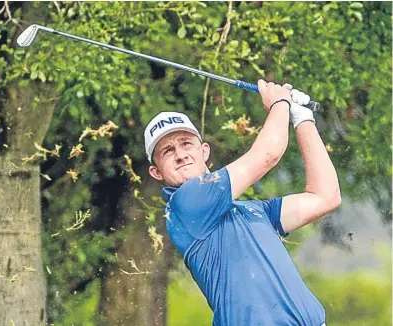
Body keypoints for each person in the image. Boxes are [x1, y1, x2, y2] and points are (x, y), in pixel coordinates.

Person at [144, 79, 341, 326]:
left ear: (204, 151)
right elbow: (268, 154)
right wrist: (280, 102)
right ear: (156, 172)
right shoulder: (186, 203)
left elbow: (325, 196)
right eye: (167, 151)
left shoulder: (253, 210)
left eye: (186, 144)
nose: (180, 154)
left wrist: (302, 119)